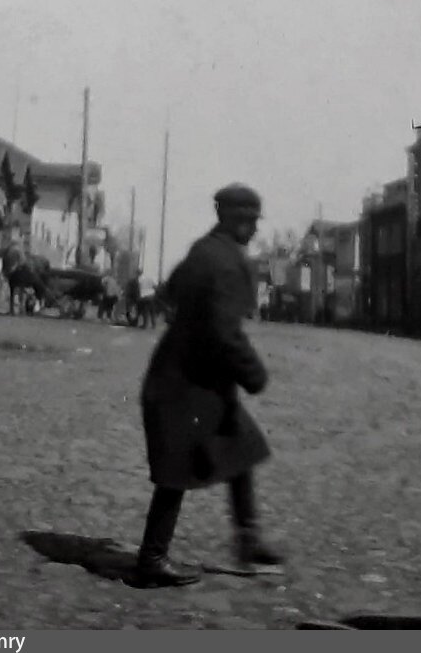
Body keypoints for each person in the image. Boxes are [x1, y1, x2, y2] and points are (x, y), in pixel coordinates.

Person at [132, 184, 284, 587]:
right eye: (251, 222)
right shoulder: (229, 263)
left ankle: (248, 538)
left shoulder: (202, 250)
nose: (255, 229)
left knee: (241, 445)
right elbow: (225, 333)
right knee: (175, 469)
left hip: (186, 375)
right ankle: (151, 559)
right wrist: (254, 374)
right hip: (189, 383)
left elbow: (171, 292)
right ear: (237, 221)